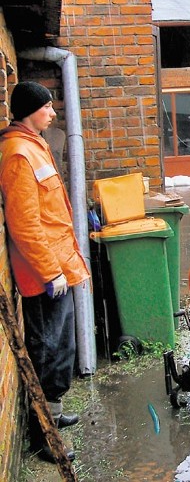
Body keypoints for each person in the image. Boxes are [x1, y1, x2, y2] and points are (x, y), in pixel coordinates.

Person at [0, 81, 90, 463]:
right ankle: (44, 435)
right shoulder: (18, 153)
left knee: (62, 345)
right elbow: (24, 223)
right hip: (44, 274)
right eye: (47, 107)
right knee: (49, 347)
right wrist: (49, 271)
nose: (53, 113)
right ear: (30, 111)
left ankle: (51, 410)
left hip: (56, 266)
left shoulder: (32, 144)